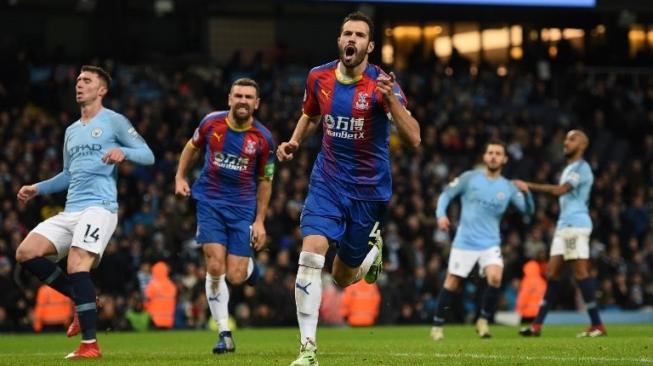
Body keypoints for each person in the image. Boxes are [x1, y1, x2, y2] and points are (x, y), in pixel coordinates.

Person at [276, 11, 420, 366]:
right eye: (346, 34)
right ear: (339, 41)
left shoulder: (382, 83)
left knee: (341, 277)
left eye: (359, 35)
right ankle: (308, 349)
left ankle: (371, 254)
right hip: (327, 181)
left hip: (367, 191)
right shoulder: (318, 77)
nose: (351, 39)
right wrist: (295, 141)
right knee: (311, 254)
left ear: (370, 46)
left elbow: (414, 137)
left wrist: (391, 102)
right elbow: (311, 115)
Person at [15, 65, 155, 359]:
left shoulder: (114, 121)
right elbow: (68, 174)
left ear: (101, 90)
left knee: (77, 263)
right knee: (26, 253)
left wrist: (123, 152)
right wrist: (37, 188)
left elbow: (148, 155)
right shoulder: (71, 131)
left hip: (100, 207)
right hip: (72, 210)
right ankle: (82, 298)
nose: (79, 84)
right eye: (78, 80)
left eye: (87, 80)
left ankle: (90, 345)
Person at [175, 78, 275, 354]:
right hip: (209, 202)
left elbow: (266, 180)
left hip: (242, 209)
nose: (243, 100)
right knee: (215, 266)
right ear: (230, 98)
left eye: (249, 97)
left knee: (237, 275)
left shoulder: (263, 138)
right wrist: (180, 176)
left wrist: (260, 221)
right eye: (238, 95)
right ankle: (224, 333)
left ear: (257, 103)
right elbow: (191, 147)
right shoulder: (211, 123)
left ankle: (250, 269)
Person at [431, 140, 534, 340]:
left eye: (498, 153)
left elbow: (527, 211)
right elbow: (446, 195)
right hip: (465, 241)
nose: (494, 156)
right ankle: (437, 326)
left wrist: (528, 195)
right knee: (452, 282)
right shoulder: (470, 178)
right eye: (490, 152)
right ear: (485, 157)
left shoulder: (508, 187)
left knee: (495, 277)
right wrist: (441, 215)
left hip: (490, 242)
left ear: (504, 159)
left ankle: (483, 320)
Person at [517, 129, 606, 337]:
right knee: (552, 274)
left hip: (575, 225)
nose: (566, 142)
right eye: (566, 139)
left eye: (572, 139)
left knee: (580, 273)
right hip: (564, 226)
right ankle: (536, 326)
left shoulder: (581, 168)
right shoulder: (568, 168)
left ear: (582, 145)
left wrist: (529, 185)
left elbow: (560, 190)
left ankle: (598, 325)